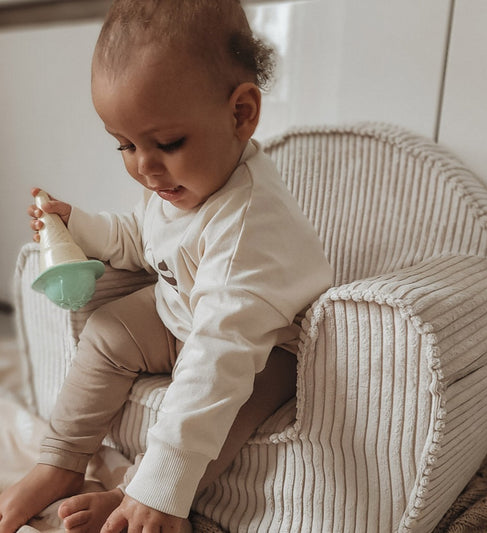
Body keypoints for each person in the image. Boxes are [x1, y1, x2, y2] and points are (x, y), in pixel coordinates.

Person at [0, 1, 333, 532]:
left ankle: (140, 494)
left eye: (168, 143)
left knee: (225, 407)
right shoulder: (180, 186)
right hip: (184, 318)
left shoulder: (248, 224)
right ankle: (60, 461)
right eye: (125, 146)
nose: (146, 169)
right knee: (109, 330)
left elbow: (218, 358)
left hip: (262, 348)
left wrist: (162, 487)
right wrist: (77, 225)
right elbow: (137, 238)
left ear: (241, 114)